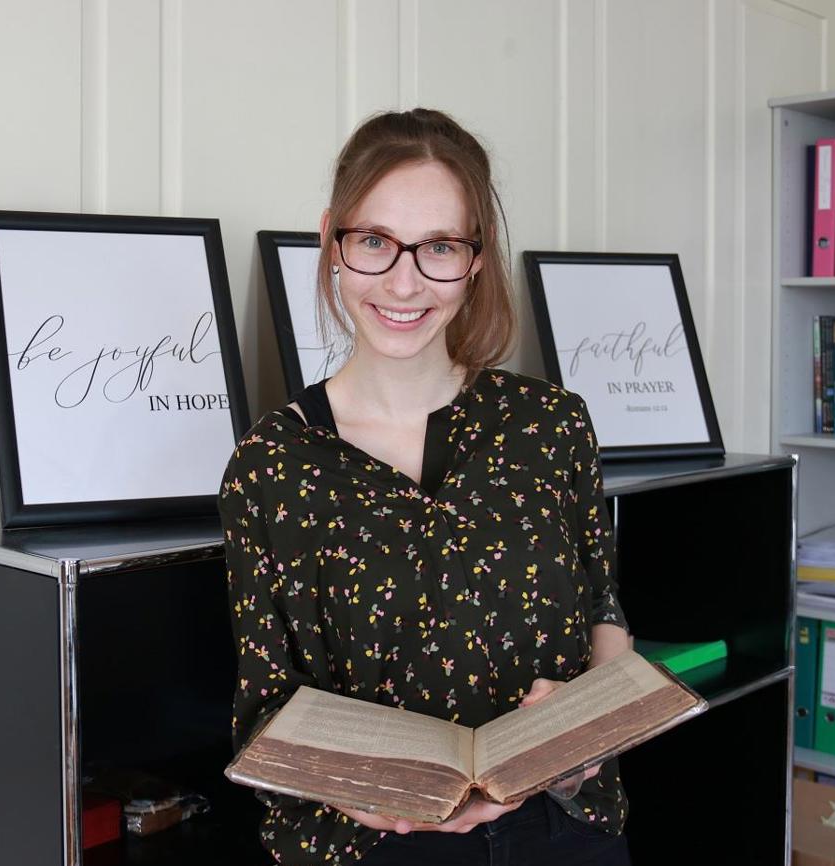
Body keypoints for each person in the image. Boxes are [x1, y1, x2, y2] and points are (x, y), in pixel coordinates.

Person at [218, 108, 633, 866]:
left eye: (438, 246)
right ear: (331, 242)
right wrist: (366, 790)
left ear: (474, 260)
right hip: (367, 849)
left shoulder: (550, 425)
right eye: (375, 241)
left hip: (562, 830)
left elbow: (603, 611)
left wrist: (586, 728)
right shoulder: (272, 465)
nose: (404, 282)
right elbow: (266, 704)